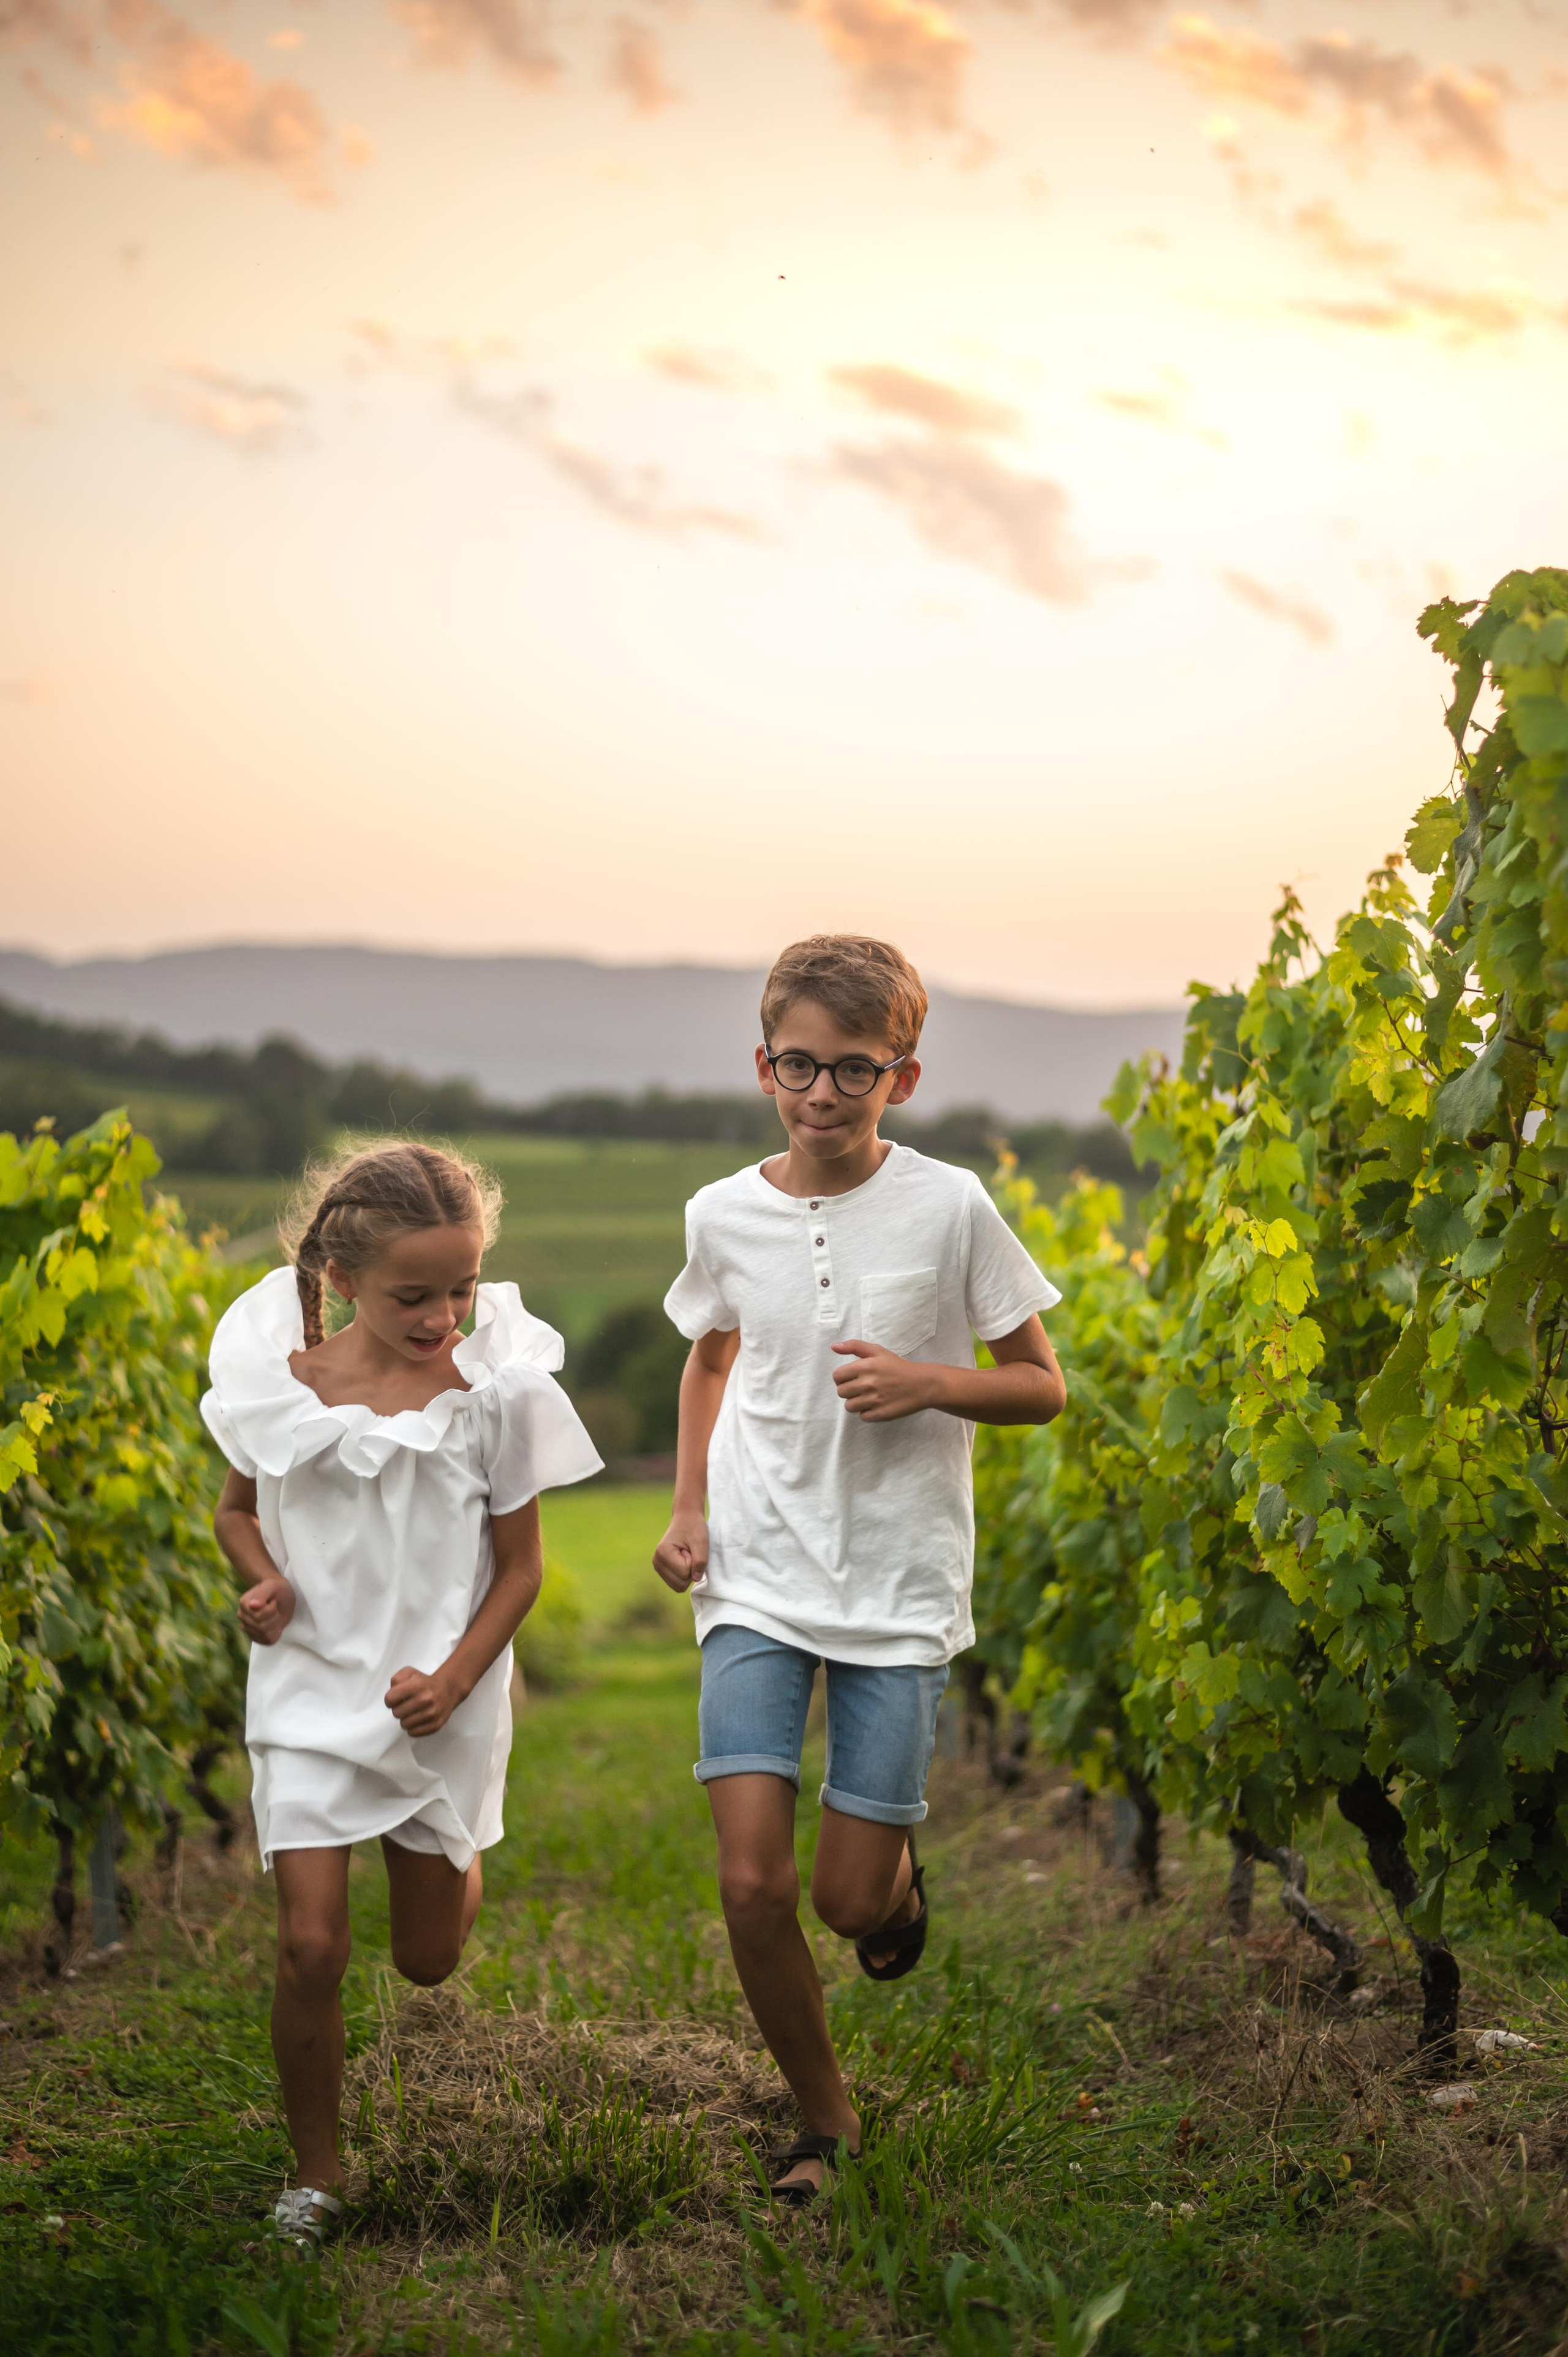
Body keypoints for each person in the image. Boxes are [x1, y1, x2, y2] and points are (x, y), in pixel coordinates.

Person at [652, 935, 1065, 2203]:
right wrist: (685, 1508)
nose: (819, 1093)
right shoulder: (719, 1212)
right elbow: (710, 1352)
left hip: (896, 1578)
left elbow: (1039, 1384)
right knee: (747, 1877)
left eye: (851, 1070)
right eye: (796, 1065)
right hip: (758, 1568)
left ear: (902, 1074)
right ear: (761, 1061)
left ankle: (891, 1895)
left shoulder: (947, 1208)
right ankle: (821, 2123)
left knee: (841, 1900)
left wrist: (929, 1382)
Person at [203, 1140, 600, 2247]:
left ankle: (457, 1866)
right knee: (311, 1948)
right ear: (341, 1281)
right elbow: (236, 1509)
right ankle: (317, 2175)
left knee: (426, 1959)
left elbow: (520, 1570)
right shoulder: (281, 1389)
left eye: (463, 1289)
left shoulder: (492, 1396)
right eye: (414, 1296)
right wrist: (263, 1579)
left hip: (441, 1696)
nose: (445, 1317)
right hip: (309, 1693)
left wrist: (457, 1678)